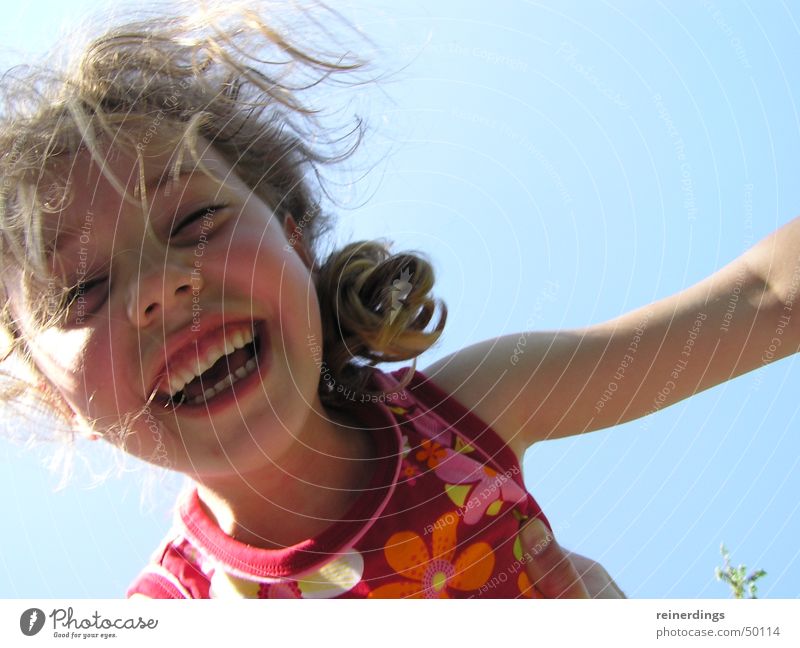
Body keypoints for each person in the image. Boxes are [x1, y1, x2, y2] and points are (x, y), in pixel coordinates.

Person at [0, 3, 794, 599]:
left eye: (198, 219)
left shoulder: (462, 418)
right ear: (49, 393)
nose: (157, 288)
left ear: (295, 238)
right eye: (80, 290)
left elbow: (766, 297)